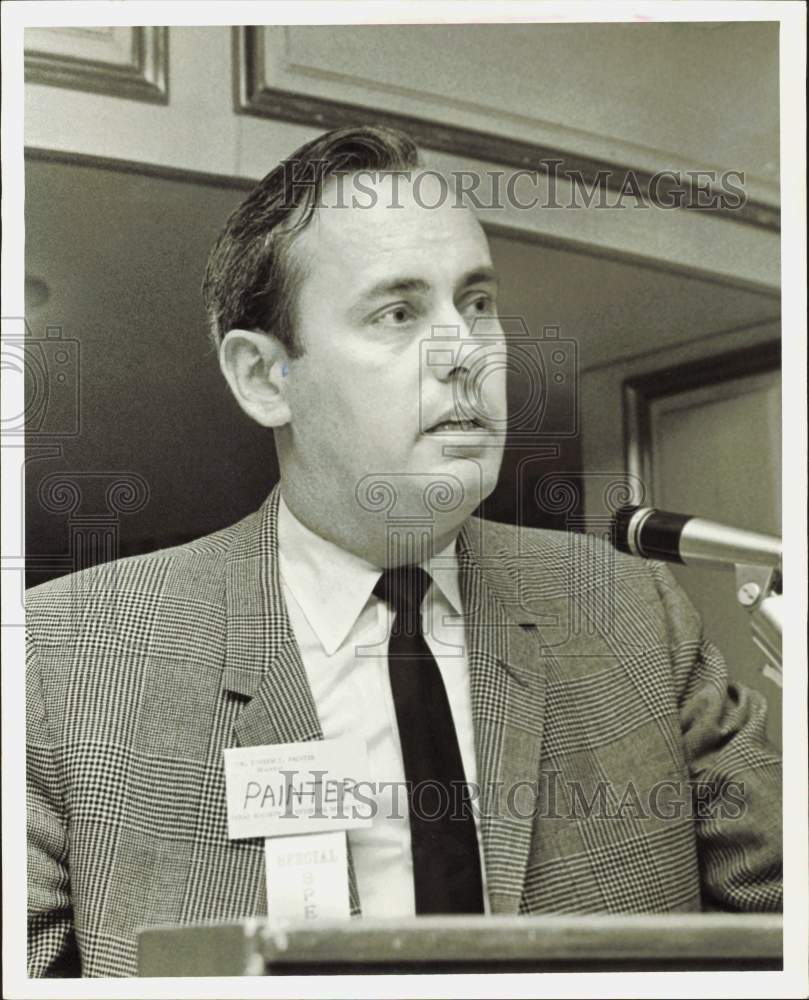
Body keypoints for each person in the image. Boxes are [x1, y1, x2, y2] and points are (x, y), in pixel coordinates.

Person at [26, 125, 782, 978]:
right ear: (264, 377)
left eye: (478, 302)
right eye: (397, 312)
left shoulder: (634, 614)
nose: (465, 351)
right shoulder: (63, 661)